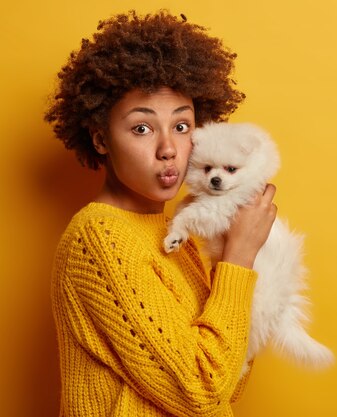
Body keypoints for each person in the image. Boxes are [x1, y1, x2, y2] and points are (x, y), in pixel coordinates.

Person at [44, 10, 276, 417]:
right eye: (142, 128)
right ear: (100, 139)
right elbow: (201, 394)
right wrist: (239, 258)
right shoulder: (99, 238)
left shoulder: (176, 232)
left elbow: (227, 382)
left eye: (182, 126)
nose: (168, 148)